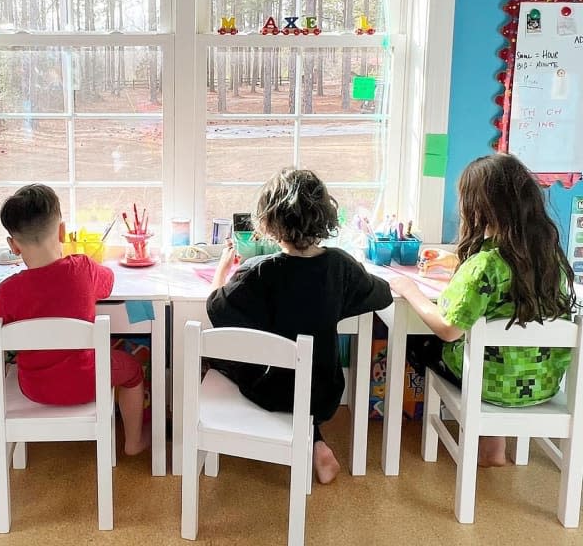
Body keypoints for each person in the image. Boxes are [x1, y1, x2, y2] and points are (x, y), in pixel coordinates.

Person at [389, 152, 578, 467]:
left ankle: (485, 439)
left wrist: (410, 291)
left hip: (491, 385)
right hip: (543, 384)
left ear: (478, 208)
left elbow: (449, 328)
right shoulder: (551, 258)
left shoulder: (486, 265)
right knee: (502, 353)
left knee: (420, 344)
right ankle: (494, 446)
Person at [206, 167, 392, 484]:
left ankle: (306, 441)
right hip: (322, 393)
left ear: (268, 222)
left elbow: (215, 308)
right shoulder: (340, 266)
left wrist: (222, 269)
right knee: (301, 373)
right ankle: (315, 439)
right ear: (326, 216)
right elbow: (382, 294)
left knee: (219, 355)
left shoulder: (257, 271)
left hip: (271, 390)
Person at [0, 183, 149, 455]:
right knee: (132, 369)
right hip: (87, 383)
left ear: (13, 246)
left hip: (34, 388)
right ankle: (133, 442)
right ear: (62, 231)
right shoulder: (83, 268)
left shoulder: (7, 291)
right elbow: (108, 283)